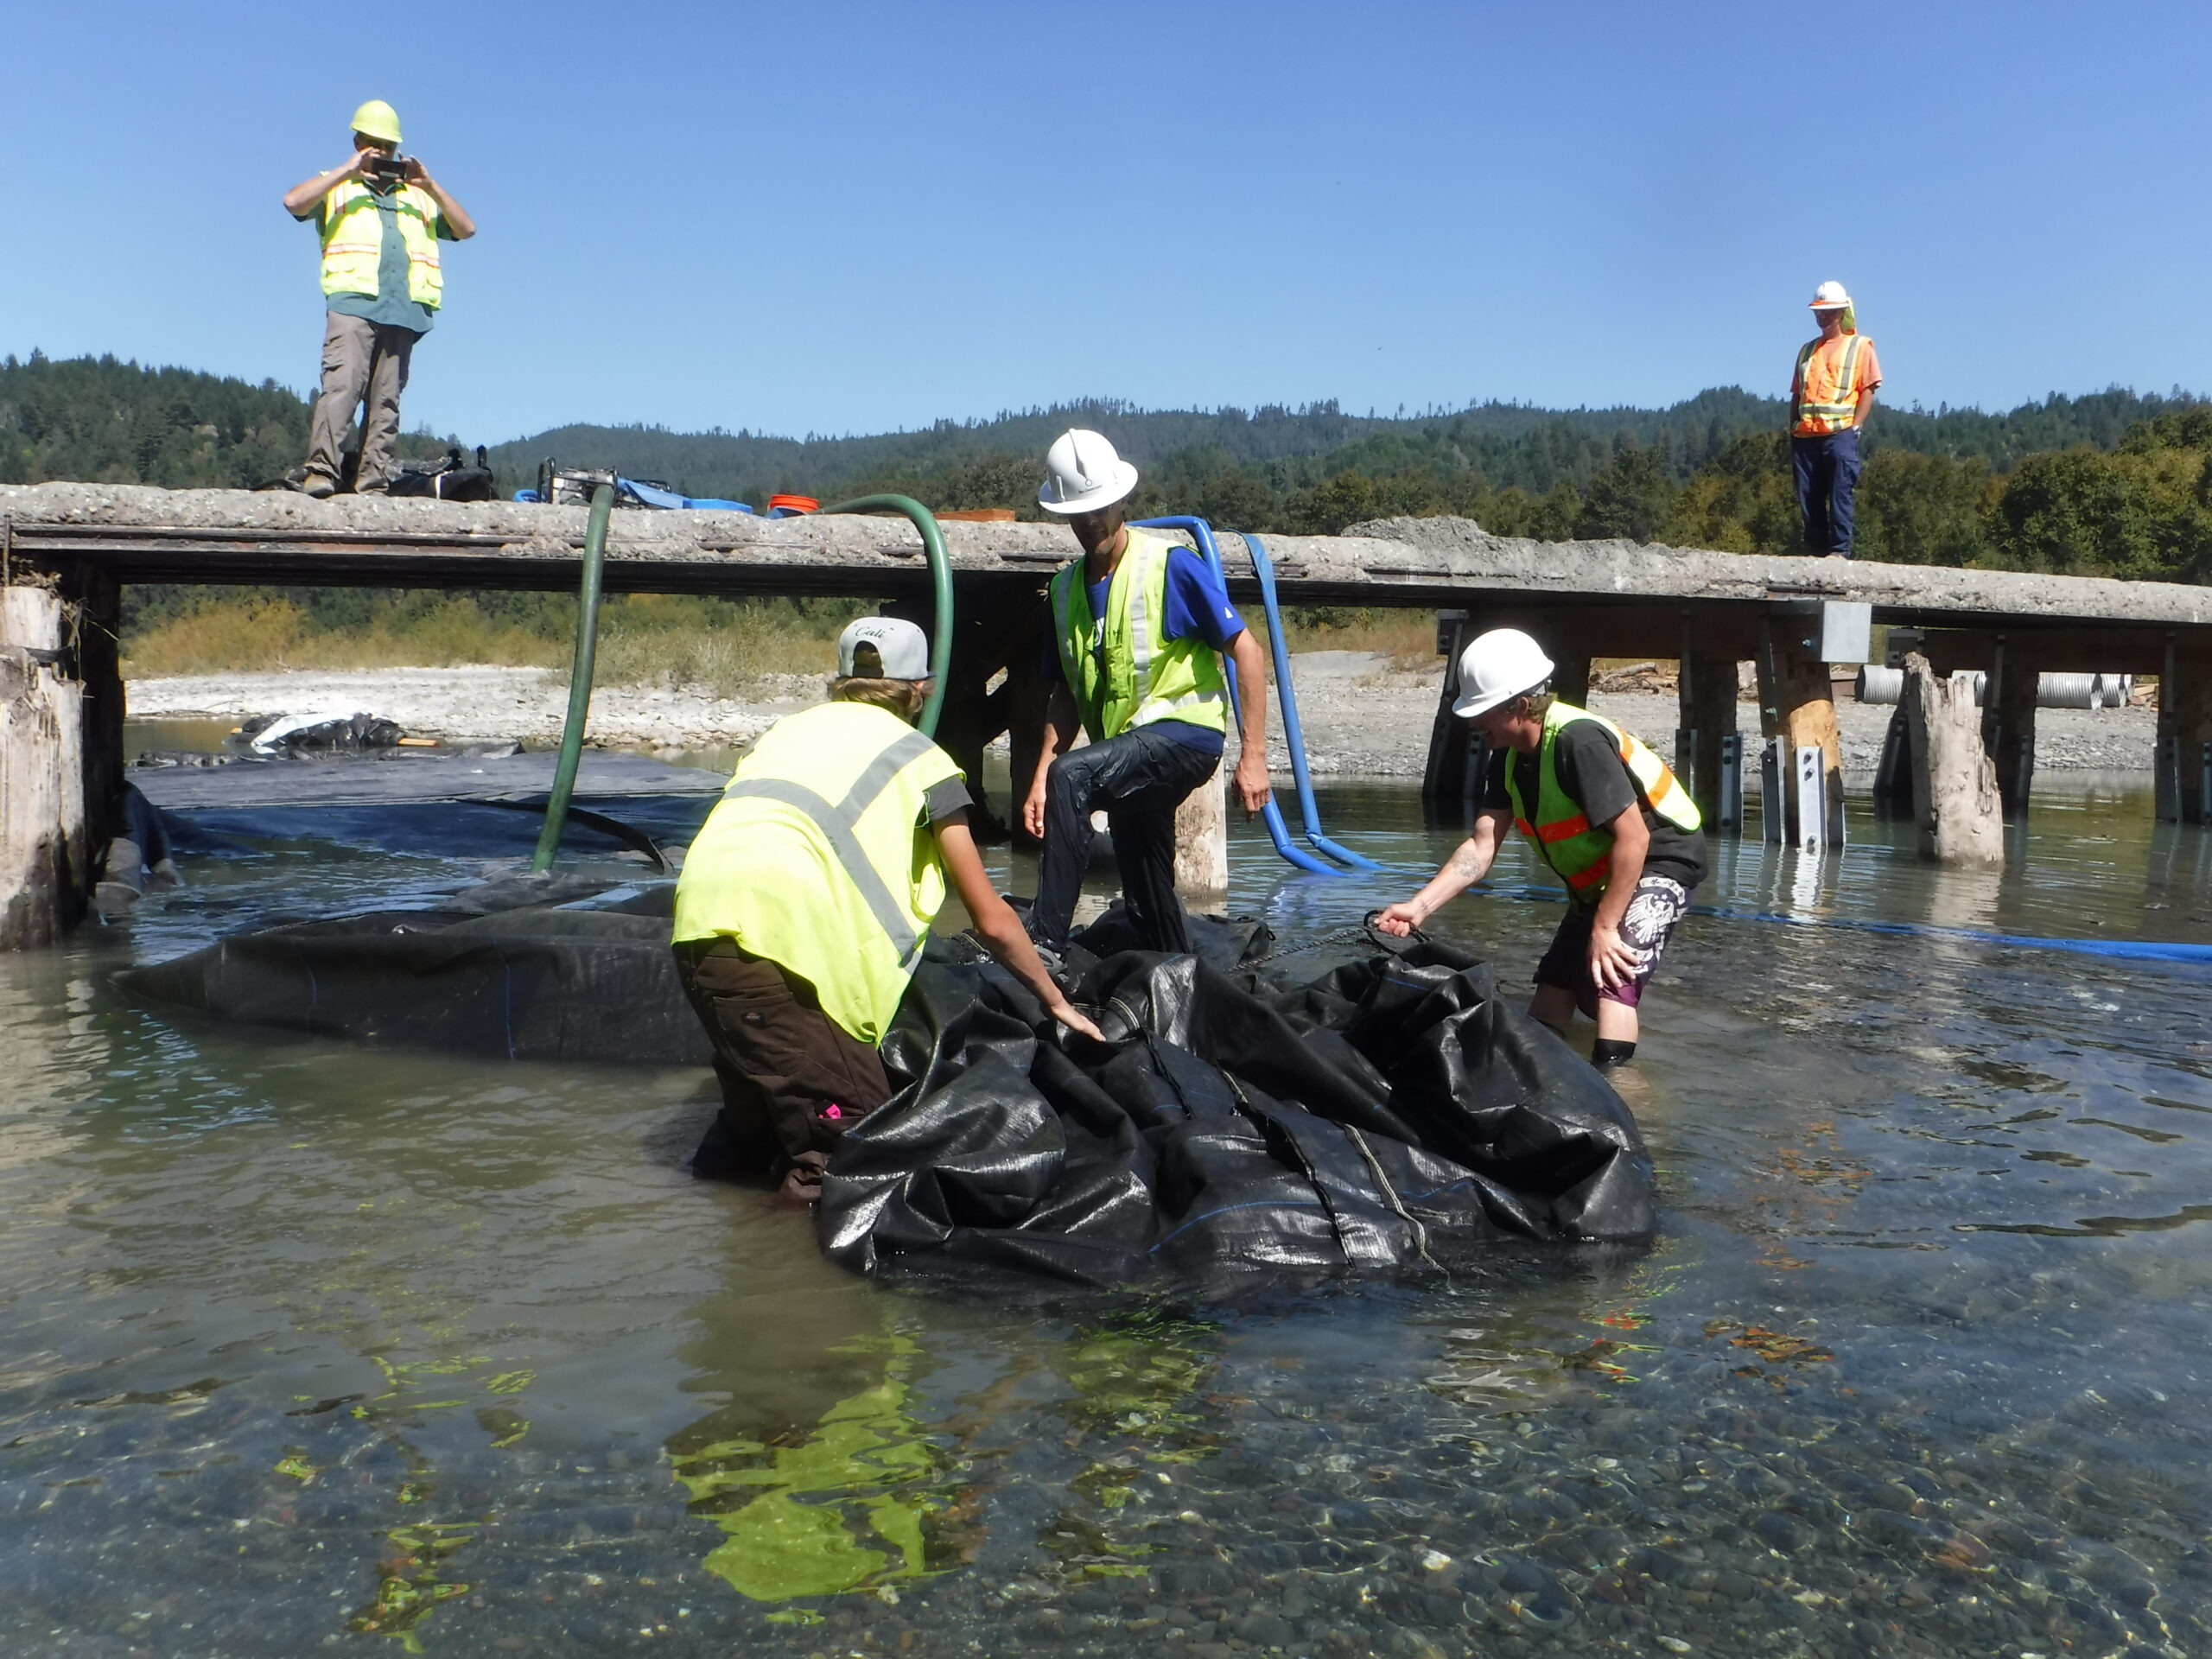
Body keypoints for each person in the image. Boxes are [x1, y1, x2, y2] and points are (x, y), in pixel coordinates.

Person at [673, 616, 1103, 1199]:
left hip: (698, 930)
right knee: (852, 1156)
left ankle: (720, 1242)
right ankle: (793, 1283)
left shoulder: (785, 734)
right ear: (921, 689)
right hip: (777, 953)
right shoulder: (924, 763)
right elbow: (991, 918)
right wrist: (1055, 1000)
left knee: (753, 1139)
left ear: (844, 680)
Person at [1376, 628, 1705, 1069]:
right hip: (1603, 876)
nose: (1474, 724)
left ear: (1521, 704)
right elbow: (1481, 845)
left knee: (1612, 977)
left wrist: (1605, 929)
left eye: (1483, 711)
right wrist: (1420, 906)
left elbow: (1635, 837)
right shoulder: (1508, 757)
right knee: (1555, 984)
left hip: (1662, 858)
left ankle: (1619, 1095)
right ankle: (1534, 1075)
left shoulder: (1578, 742)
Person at [1021, 429, 1274, 956]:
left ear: (1121, 501)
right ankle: (1175, 964)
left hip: (1186, 737)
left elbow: (1247, 650)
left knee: (1076, 777)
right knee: (1144, 888)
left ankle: (1042, 945)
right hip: (1129, 751)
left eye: (1100, 509)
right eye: (1079, 513)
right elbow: (1066, 695)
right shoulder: (1063, 591)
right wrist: (1041, 774)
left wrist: (1253, 757)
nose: (1090, 522)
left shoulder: (1170, 565)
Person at [281, 100, 475, 497]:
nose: (382, 153)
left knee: (386, 401)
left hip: (403, 309)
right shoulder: (337, 186)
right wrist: (346, 171)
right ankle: (322, 471)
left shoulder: (418, 196)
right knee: (343, 386)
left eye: (388, 146)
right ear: (357, 143)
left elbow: (466, 228)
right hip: (353, 301)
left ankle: (373, 480)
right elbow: (293, 201)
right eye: (373, 144)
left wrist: (431, 185)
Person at [1789, 280, 1882, 558]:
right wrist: (1792, 427)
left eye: (1828, 311)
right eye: (1819, 311)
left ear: (1842, 312)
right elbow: (1797, 392)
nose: (1822, 316)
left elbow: (1868, 388)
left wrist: (1856, 427)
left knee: (1840, 493)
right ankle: (1816, 551)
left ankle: (1839, 551)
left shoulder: (1859, 346)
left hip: (1840, 433)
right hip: (1806, 435)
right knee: (1809, 497)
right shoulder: (1807, 350)